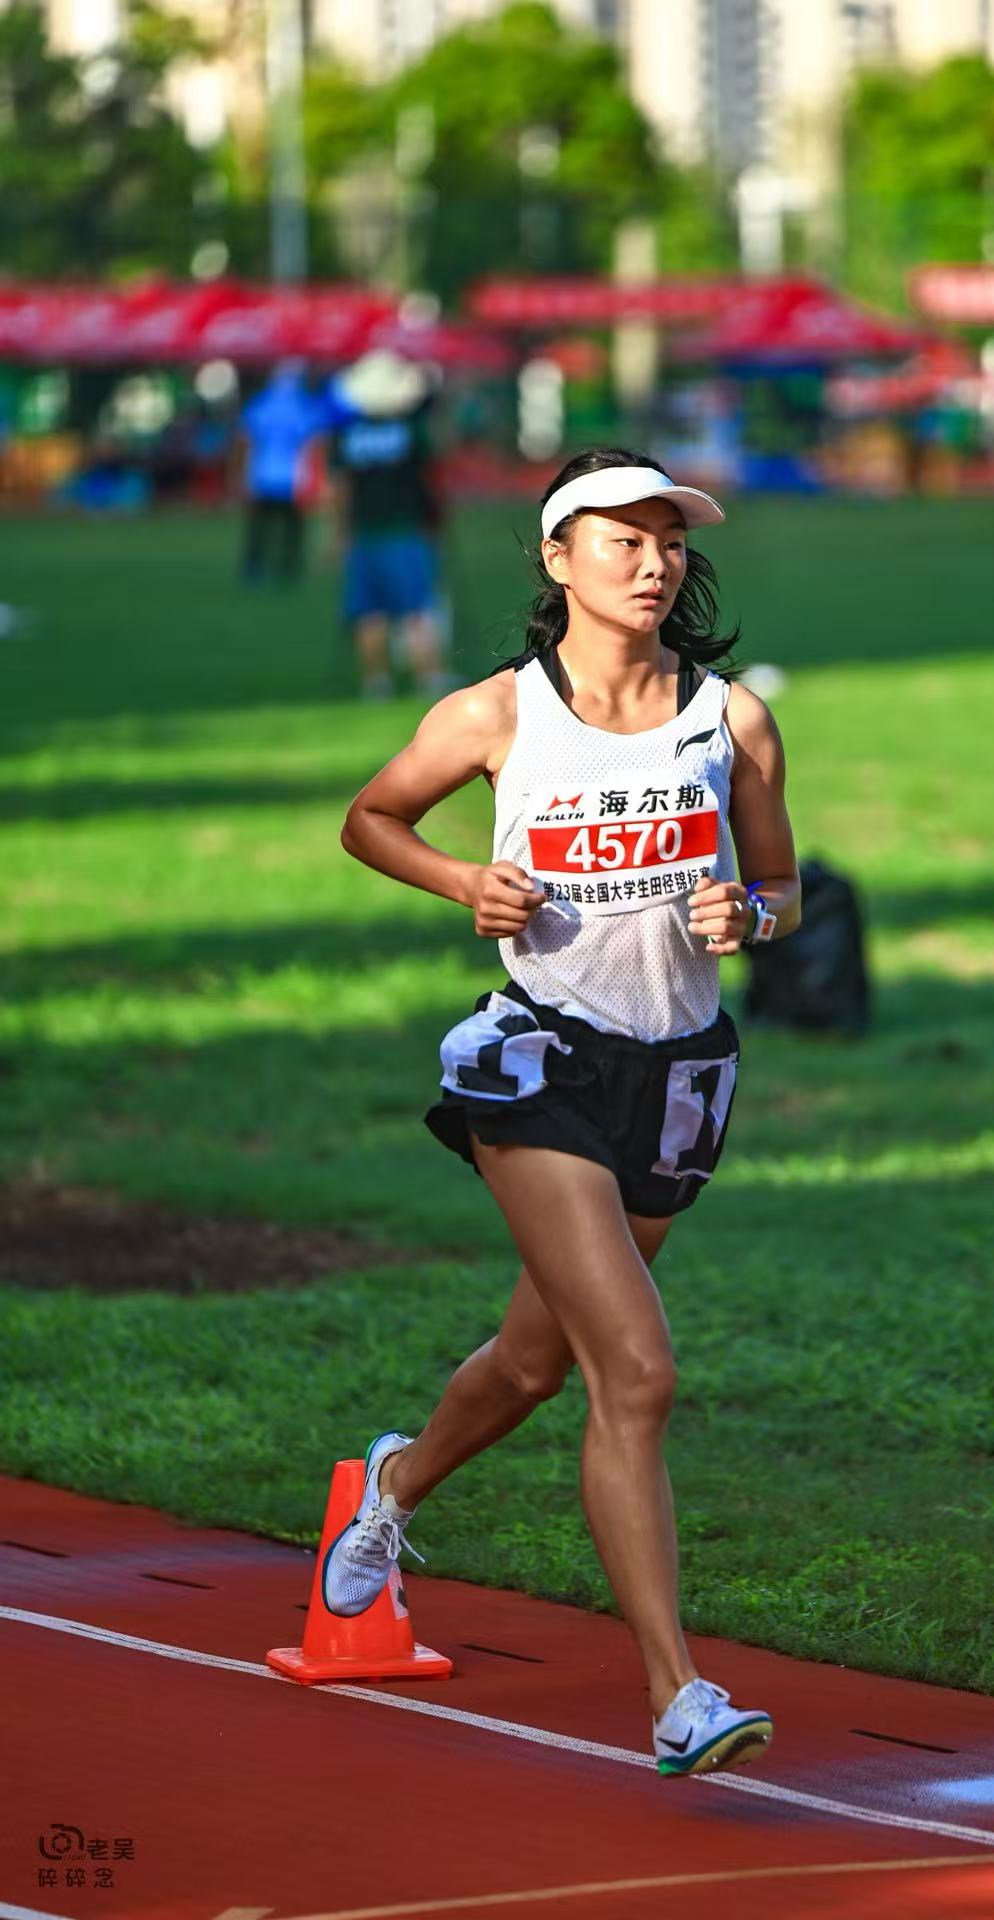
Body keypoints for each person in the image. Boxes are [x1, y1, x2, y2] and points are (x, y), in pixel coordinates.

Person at [331, 447, 801, 1777]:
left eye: (669, 542)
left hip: (679, 1075)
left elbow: (782, 890)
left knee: (534, 1365)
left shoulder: (733, 720)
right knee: (635, 1372)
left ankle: (392, 1487)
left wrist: (750, 914)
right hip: (538, 1063)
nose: (654, 563)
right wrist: (460, 881)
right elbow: (370, 818)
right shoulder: (498, 713)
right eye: (623, 540)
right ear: (558, 557)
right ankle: (677, 1695)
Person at [329, 349, 449, 702]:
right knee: (417, 607)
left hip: (364, 533)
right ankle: (428, 675)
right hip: (405, 530)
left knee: (369, 611)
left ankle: (375, 681)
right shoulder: (411, 431)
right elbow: (430, 476)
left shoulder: (346, 434)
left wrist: (339, 533)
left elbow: (341, 489)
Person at [237, 362, 327, 585]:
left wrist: (244, 475)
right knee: (292, 527)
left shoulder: (261, 403)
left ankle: (254, 567)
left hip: (263, 473)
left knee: (260, 526)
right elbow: (315, 444)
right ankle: (288, 568)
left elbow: (247, 442)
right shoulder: (304, 405)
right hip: (294, 477)